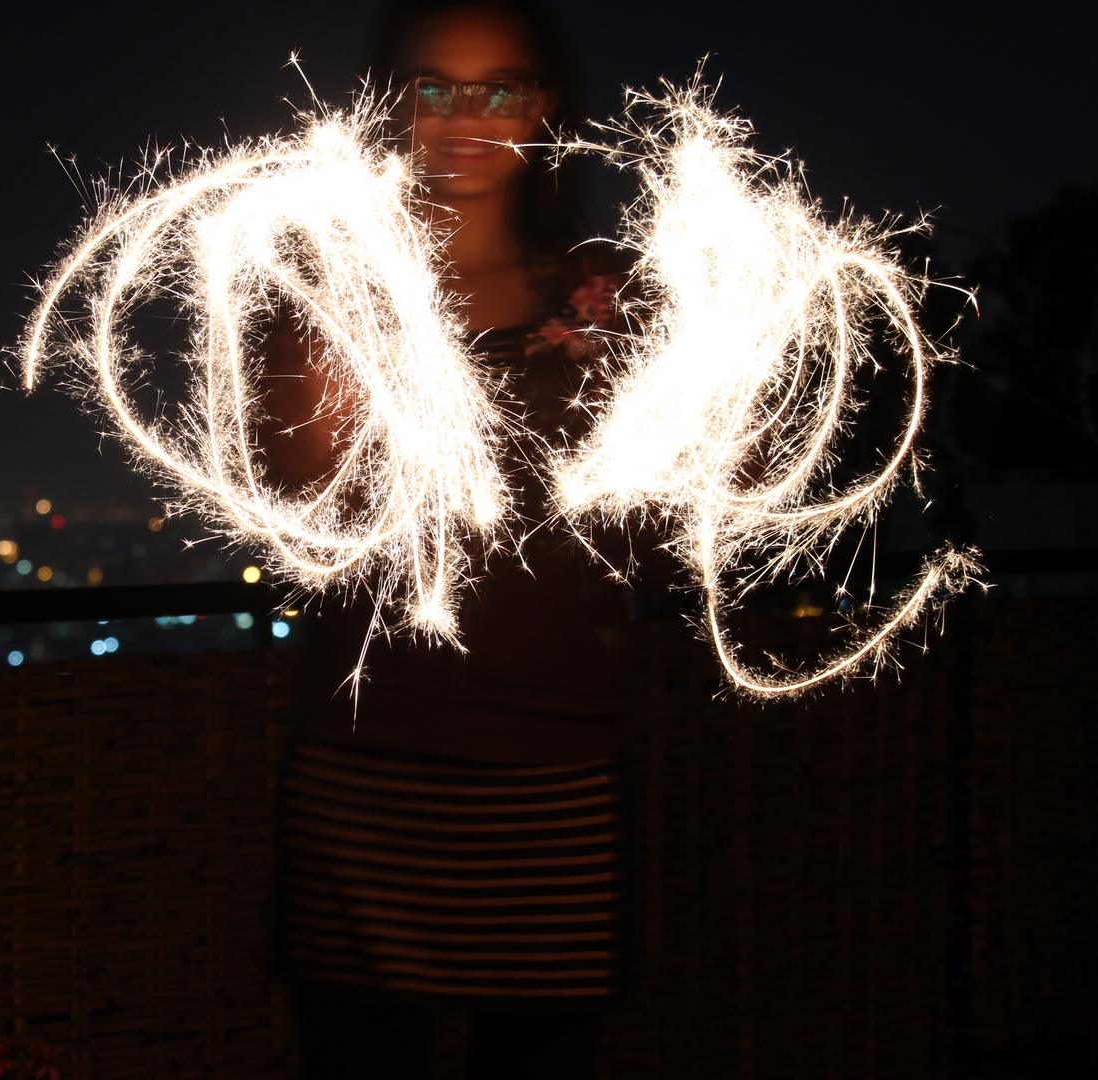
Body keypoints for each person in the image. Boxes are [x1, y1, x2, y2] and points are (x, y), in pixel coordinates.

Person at [261, 3, 659, 1077]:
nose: (465, 116)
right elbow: (297, 498)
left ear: (547, 103)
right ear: (394, 105)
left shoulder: (611, 299)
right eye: (434, 87)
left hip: (556, 771)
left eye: (499, 88)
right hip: (371, 760)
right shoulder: (332, 292)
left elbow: (658, 522)